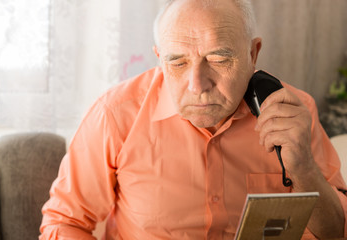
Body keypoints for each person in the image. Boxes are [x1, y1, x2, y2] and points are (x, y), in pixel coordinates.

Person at [39, 0, 347, 239]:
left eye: (219, 59)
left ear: (253, 54)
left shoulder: (292, 110)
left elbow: (335, 231)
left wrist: (304, 167)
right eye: (177, 62)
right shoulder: (115, 115)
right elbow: (64, 222)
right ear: (159, 57)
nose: (197, 84)